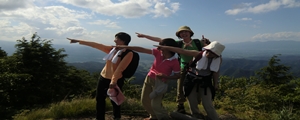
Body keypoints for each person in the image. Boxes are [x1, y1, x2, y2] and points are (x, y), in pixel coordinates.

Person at [136, 26, 206, 113]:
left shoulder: (197, 42)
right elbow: (161, 40)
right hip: (184, 68)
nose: (184, 33)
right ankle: (180, 106)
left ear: (190, 33)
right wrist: (145, 36)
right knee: (180, 88)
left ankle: (196, 108)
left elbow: (209, 50)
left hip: (197, 69)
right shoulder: (178, 43)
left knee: (196, 89)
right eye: (181, 32)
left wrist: (207, 43)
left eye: (186, 32)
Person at [67, 32, 133, 120]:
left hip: (116, 79)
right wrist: (78, 41)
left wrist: (113, 81)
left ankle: (116, 117)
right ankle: (99, 118)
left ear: (123, 41)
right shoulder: (112, 49)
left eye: (116, 39)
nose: (114, 40)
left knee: (115, 100)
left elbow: (120, 69)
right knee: (99, 99)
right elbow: (96, 45)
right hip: (103, 77)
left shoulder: (128, 53)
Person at [154, 41, 225, 120]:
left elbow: (215, 72)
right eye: (209, 51)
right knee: (192, 101)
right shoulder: (198, 54)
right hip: (191, 79)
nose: (210, 53)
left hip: (205, 81)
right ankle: (196, 116)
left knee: (207, 103)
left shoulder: (218, 59)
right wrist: (165, 48)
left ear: (216, 55)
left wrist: (215, 84)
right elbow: (182, 51)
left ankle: (214, 118)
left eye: (213, 53)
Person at [115, 38, 181, 120]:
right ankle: (153, 116)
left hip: (160, 83)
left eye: (162, 45)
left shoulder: (174, 61)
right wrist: (126, 47)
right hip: (149, 78)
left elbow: (178, 75)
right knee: (145, 100)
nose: (159, 47)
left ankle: (164, 118)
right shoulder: (158, 52)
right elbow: (142, 49)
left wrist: (165, 76)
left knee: (156, 104)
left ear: (169, 48)